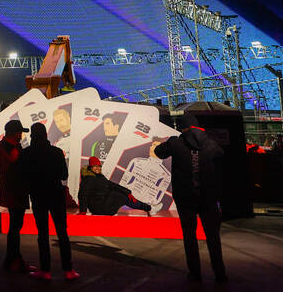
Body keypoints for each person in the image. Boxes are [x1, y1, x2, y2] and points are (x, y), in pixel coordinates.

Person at [154, 113, 227, 283]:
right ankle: (220, 274)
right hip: (208, 197)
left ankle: (195, 274)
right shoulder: (210, 143)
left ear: (181, 127)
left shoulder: (175, 142)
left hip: (185, 198)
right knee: (213, 237)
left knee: (189, 236)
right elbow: (221, 154)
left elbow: (158, 152)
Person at [22, 122, 78, 280]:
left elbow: (23, 176)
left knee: (42, 234)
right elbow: (63, 176)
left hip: (38, 195)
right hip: (56, 195)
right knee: (62, 233)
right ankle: (68, 270)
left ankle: (45, 271)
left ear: (32, 135)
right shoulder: (57, 152)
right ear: (46, 134)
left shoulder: (27, 153)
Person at [0, 119, 33, 273]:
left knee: (16, 226)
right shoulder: (6, 147)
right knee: (15, 227)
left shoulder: (10, 146)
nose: (21, 135)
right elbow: (10, 167)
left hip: (16, 190)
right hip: (14, 191)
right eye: (19, 132)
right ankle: (13, 260)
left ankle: (13, 259)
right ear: (13, 133)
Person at [77, 156, 151, 214]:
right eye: (95, 166)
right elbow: (83, 195)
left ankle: (147, 207)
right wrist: (83, 211)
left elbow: (112, 185)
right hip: (98, 208)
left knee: (121, 194)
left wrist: (128, 192)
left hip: (103, 204)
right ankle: (148, 208)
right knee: (119, 195)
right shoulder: (88, 179)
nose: (98, 168)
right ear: (90, 167)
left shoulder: (99, 177)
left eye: (99, 166)